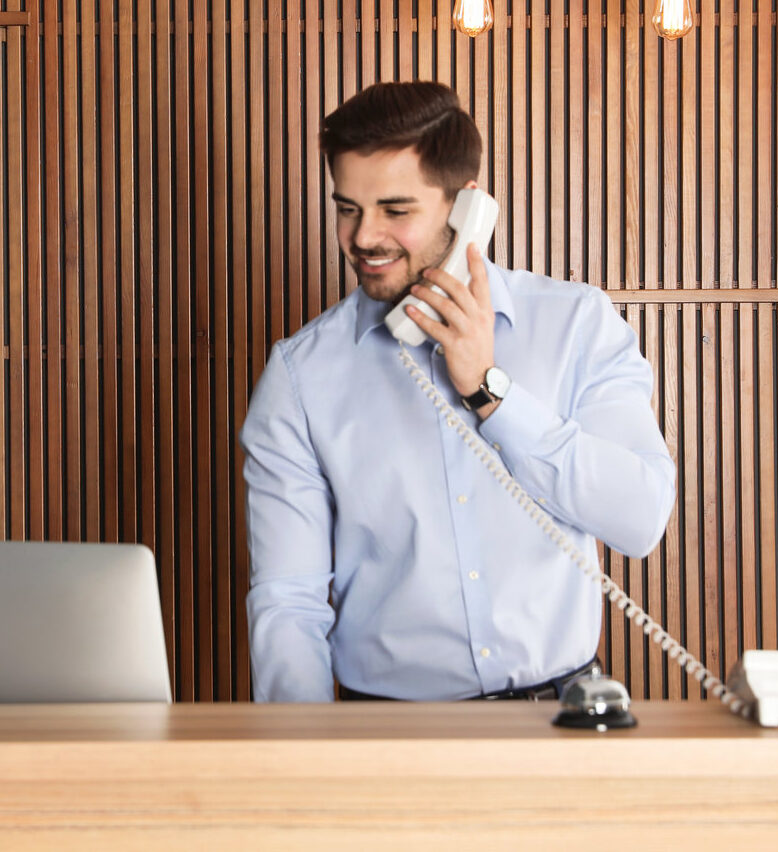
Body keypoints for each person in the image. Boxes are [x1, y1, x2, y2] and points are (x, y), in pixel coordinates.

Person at [240, 81, 676, 702]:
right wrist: (307, 769)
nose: (363, 238)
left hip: (560, 720)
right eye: (347, 209)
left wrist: (494, 397)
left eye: (396, 211)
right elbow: (289, 602)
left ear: (466, 207)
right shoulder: (300, 377)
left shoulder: (576, 324)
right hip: (387, 740)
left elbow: (640, 518)